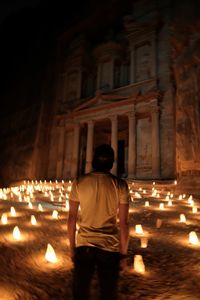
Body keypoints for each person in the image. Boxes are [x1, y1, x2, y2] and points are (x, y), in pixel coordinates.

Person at [68, 144, 130, 300]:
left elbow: (71, 219)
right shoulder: (121, 185)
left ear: (93, 161)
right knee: (108, 293)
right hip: (110, 247)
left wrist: (72, 248)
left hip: (84, 245)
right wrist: (123, 254)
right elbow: (123, 223)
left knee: (80, 293)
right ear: (112, 163)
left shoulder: (78, 182)